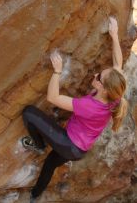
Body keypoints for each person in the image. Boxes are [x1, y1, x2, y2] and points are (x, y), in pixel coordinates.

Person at [21, 17, 128, 203]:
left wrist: (57, 71)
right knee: (49, 165)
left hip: (69, 144)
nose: (95, 74)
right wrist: (114, 35)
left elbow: (52, 98)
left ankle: (39, 145)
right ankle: (34, 196)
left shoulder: (90, 107)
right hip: (80, 150)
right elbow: (118, 64)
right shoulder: (114, 95)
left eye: (98, 77)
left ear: (102, 88)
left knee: (29, 113)